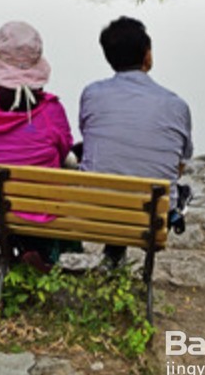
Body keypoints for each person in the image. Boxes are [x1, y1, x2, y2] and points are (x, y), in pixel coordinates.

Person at [0, 21, 78, 272]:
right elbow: (65, 150)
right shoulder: (51, 111)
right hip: (36, 208)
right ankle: (35, 251)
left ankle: (18, 248)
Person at [78, 16, 193, 269]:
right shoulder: (176, 105)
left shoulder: (91, 94)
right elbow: (179, 165)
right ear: (147, 56)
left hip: (95, 210)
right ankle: (120, 256)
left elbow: (90, 137)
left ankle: (114, 254)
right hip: (151, 218)